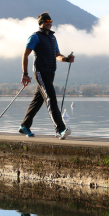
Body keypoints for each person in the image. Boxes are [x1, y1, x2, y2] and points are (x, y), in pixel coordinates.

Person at [20, 12, 75, 140]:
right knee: (51, 98)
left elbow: (57, 55)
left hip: (51, 72)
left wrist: (66, 59)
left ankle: (25, 125)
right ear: (40, 23)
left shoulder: (52, 38)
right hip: (40, 71)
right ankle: (61, 129)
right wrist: (25, 74)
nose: (49, 23)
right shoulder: (35, 37)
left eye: (50, 21)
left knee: (38, 100)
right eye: (46, 21)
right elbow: (25, 55)